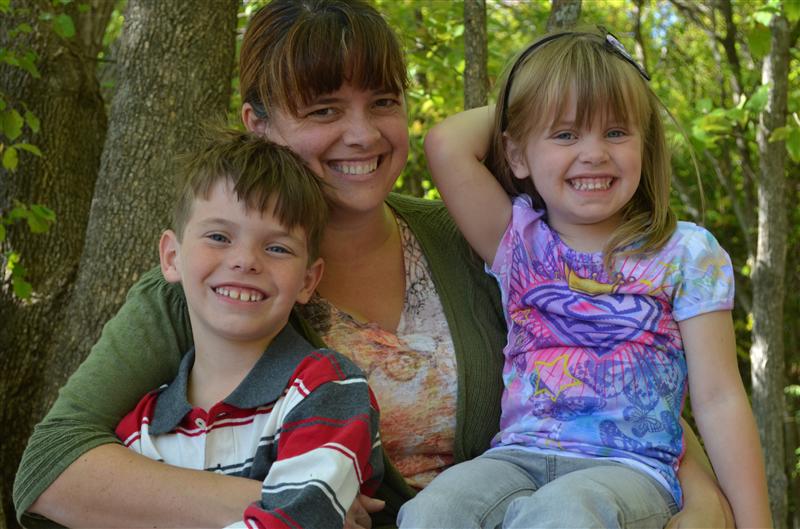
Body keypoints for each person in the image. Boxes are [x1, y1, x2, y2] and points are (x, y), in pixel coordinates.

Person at [13, 3, 732, 528]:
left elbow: (621, 375)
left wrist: (702, 499)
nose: (362, 134)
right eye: (324, 110)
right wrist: (284, 503)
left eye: (383, 101)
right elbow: (50, 468)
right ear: (259, 124)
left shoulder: (473, 239)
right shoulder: (219, 282)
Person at [398, 28, 770, 528]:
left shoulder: (685, 253)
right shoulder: (517, 240)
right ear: (517, 155)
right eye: (566, 134)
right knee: (434, 510)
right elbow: (446, 144)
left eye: (616, 132)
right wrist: (546, 92)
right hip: (517, 458)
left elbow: (720, 398)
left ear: (645, 144)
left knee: (565, 512)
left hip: (632, 470)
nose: (594, 153)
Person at [113, 129, 382, 528]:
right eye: (218, 237)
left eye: (277, 248)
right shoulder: (141, 429)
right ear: (171, 257)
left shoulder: (327, 391)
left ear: (308, 280)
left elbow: (300, 520)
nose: (245, 261)